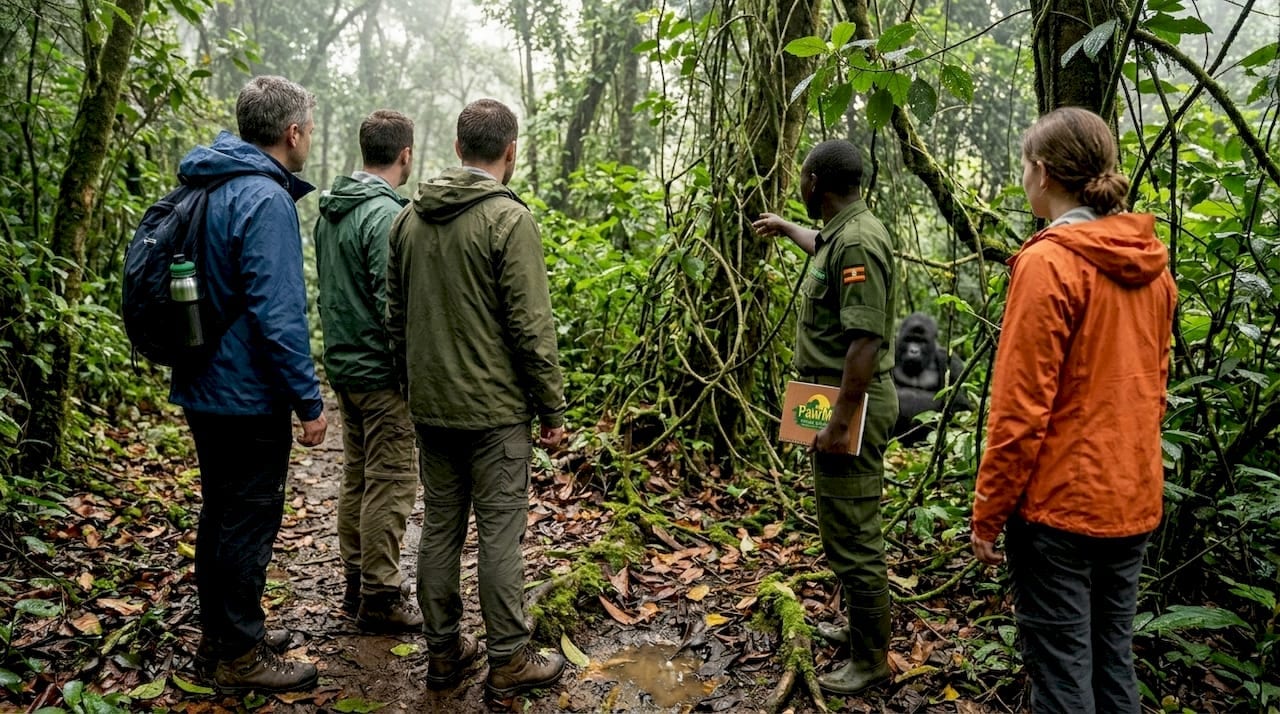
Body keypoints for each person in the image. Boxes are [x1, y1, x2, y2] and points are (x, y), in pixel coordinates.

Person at [970, 106, 1176, 713]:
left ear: (1042, 172)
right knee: (1113, 661)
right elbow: (1153, 391)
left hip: (1059, 507)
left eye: (1025, 166)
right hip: (1131, 498)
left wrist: (988, 513)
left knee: (1061, 676)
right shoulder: (1152, 267)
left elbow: (1019, 410)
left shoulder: (1048, 263)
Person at [386, 98, 567, 699]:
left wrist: (411, 387)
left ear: (459, 148)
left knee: (439, 527)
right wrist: (552, 410)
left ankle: (444, 654)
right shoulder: (508, 220)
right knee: (498, 533)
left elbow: (395, 318)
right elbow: (531, 326)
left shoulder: (408, 220)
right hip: (494, 414)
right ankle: (509, 661)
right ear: (510, 153)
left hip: (433, 408)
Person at [172, 75, 326, 692]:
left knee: (222, 510)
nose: (309, 138)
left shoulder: (207, 184)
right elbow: (278, 313)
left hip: (203, 381)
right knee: (248, 518)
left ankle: (226, 630)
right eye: (309, 128)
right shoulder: (264, 199)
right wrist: (308, 401)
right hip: (244, 393)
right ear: (292, 133)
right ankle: (239, 655)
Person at [752, 139, 899, 695]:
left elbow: (865, 339)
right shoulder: (842, 234)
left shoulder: (858, 241)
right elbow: (823, 248)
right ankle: (859, 629)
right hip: (825, 397)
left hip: (847, 402)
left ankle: (871, 660)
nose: (798, 185)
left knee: (855, 537)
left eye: (801, 178)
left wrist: (841, 421)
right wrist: (789, 227)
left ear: (816, 182)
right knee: (838, 523)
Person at [314, 109, 423, 633]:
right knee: (392, 478)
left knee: (358, 475)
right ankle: (379, 594)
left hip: (344, 365)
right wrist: (410, 375)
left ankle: (357, 583)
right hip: (379, 374)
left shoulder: (332, 210)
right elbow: (391, 303)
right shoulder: (382, 215)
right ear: (405, 155)